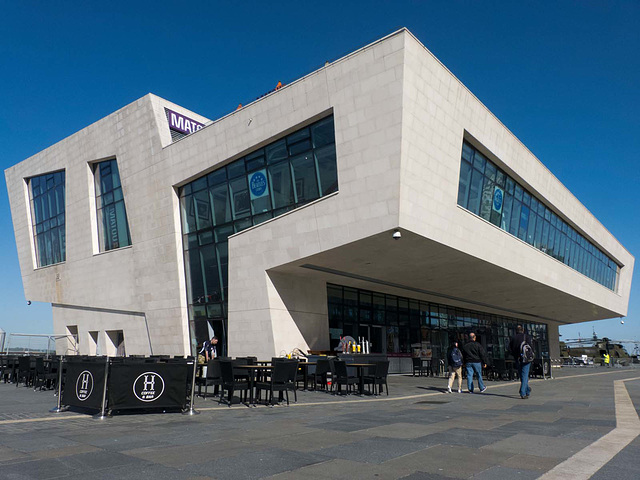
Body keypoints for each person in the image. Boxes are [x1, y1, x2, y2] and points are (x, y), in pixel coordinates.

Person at [509, 325, 532, 399]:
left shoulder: (513, 338)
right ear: (523, 330)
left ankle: (527, 390)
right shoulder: (526, 337)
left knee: (522, 375)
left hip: (517, 358)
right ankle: (523, 392)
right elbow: (531, 347)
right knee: (525, 375)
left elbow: (509, 348)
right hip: (526, 358)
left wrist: (514, 354)